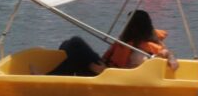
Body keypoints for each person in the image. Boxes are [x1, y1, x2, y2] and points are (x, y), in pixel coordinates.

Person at [47, 10, 178, 76]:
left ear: (134, 27)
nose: (125, 27)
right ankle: (50, 81)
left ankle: (47, 80)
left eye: (128, 24)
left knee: (75, 42)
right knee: (67, 46)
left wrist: (171, 58)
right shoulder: (128, 41)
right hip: (104, 70)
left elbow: (163, 53)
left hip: (107, 75)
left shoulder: (145, 49)